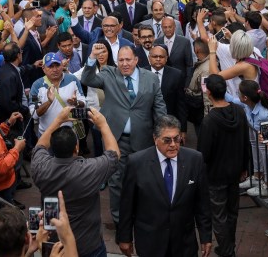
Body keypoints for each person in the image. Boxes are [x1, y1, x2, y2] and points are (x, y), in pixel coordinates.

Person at [81, 43, 167, 226]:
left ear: (136, 60)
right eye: (121, 60)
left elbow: (159, 107)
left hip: (143, 139)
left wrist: (163, 134)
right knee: (116, 180)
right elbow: (88, 79)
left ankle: (142, 215)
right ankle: (120, 220)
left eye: (128, 59)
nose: (125, 63)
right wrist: (91, 58)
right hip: (115, 139)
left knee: (144, 180)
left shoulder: (151, 78)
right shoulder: (108, 74)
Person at [117, 115, 212, 257]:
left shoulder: (195, 160)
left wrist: (205, 236)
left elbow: (202, 204)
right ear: (155, 139)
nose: (173, 144)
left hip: (184, 244)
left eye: (177, 139)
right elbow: (127, 204)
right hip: (150, 244)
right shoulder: (136, 163)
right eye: (167, 140)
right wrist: (124, 237)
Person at [31, 105, 119, 257]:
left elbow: (40, 146)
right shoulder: (88, 170)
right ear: (76, 148)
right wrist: (103, 124)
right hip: (88, 246)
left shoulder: (41, 167)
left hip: (55, 247)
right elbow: (114, 155)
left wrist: (58, 120)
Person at [197, 75, 250, 257]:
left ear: (209, 93)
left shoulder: (209, 121)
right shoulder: (239, 112)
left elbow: (203, 153)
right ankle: (229, 246)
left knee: (219, 215)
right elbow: (246, 142)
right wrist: (245, 167)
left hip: (215, 175)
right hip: (235, 172)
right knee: (232, 212)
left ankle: (227, 251)